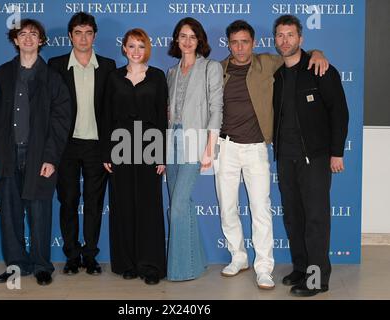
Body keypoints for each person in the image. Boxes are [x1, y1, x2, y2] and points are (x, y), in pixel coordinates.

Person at [214, 20, 329, 290]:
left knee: (261, 210)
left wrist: (318, 52)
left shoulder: (269, 63)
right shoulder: (216, 70)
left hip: (256, 149)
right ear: (228, 44)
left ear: (254, 43)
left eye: (245, 41)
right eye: (234, 42)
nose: (240, 47)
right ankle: (238, 256)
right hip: (226, 147)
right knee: (227, 207)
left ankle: (264, 267)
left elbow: (296, 55)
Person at [0, 19, 71, 286]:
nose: (28, 38)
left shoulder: (53, 78)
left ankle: (42, 265)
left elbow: (60, 121)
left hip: (39, 156)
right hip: (6, 154)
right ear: (16, 40)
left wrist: (51, 158)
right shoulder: (4, 74)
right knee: (9, 213)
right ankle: (16, 265)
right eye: (23, 34)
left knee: (40, 212)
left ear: (41, 41)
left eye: (34, 34)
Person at [272, 15, 349, 297]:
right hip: (286, 158)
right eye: (280, 35)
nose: (285, 40)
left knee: (316, 219)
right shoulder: (278, 74)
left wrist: (336, 153)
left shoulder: (321, 69)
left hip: (315, 159)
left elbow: (339, 113)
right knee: (294, 218)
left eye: (290, 35)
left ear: (301, 39)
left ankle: (317, 279)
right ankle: (302, 268)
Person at [48, 12, 116, 275]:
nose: (83, 38)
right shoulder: (55, 65)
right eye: (78, 32)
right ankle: (72, 255)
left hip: (97, 146)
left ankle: (90, 256)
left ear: (95, 36)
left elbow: (114, 109)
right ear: (70, 36)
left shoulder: (108, 66)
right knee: (67, 201)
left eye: (88, 33)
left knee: (94, 203)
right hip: (66, 146)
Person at [102, 28, 168, 285]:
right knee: (123, 205)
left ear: (147, 49)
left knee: (149, 206)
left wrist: (162, 154)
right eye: (131, 46)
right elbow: (106, 114)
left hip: (150, 145)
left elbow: (162, 118)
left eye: (141, 46)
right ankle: (127, 263)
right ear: (124, 48)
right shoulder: (114, 77)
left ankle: (150, 265)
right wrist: (106, 151)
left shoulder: (157, 77)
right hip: (119, 145)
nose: (136, 51)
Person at [166, 17, 223, 281]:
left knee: (177, 207)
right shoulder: (172, 72)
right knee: (181, 204)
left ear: (199, 40)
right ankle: (197, 260)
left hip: (196, 141)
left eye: (192, 36)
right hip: (171, 141)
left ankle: (182, 270)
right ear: (176, 40)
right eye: (182, 36)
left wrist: (209, 148)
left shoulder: (210, 68)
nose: (187, 41)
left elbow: (216, 109)